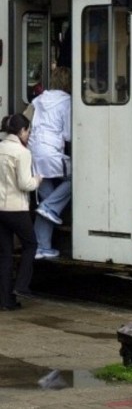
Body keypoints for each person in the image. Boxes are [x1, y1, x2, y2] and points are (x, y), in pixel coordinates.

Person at [29, 66, 72, 260]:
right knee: (77, 177)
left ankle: (42, 247)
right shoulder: (67, 102)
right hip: (51, 153)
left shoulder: (38, 100)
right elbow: (69, 134)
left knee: (46, 200)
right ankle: (50, 208)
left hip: (33, 154)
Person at [0, 113, 41, 309]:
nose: (28, 135)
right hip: (16, 208)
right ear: (21, 131)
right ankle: (22, 285)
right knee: (31, 245)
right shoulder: (22, 152)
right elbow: (25, 184)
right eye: (28, 131)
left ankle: (6, 301)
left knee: (4, 254)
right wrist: (38, 180)